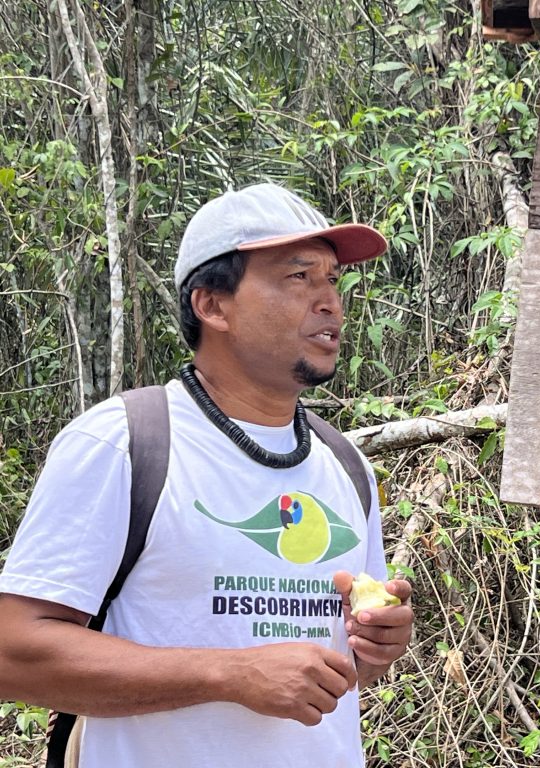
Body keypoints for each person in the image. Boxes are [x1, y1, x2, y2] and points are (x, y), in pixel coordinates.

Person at [0, 182, 414, 767]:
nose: (329, 303)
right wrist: (230, 673)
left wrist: (377, 646)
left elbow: (351, 669)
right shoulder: (124, 443)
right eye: (299, 277)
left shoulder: (345, 466)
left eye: (333, 280)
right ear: (212, 305)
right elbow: (12, 652)